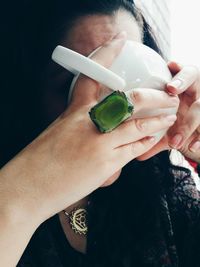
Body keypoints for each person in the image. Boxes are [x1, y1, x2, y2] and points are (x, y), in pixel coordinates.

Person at [0, 0, 200, 266]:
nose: (111, 115)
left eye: (131, 88)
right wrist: (23, 194)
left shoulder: (162, 190)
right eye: (71, 88)